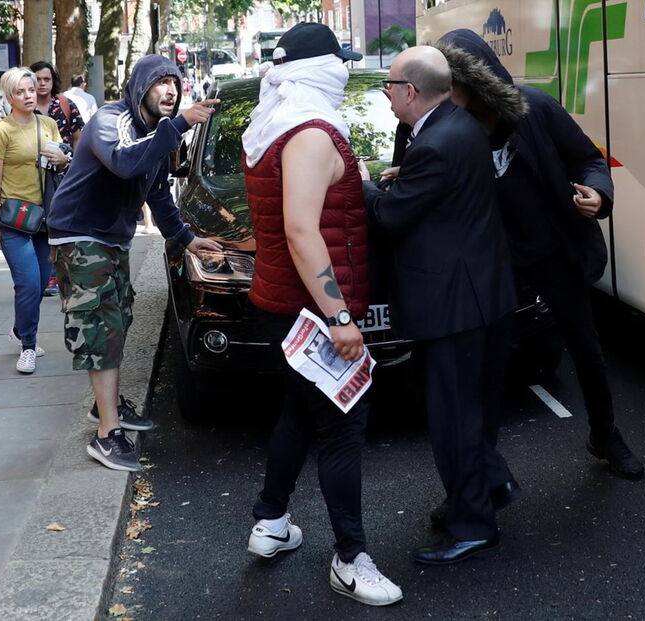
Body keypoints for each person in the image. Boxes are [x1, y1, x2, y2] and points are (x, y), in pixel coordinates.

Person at [239, 22, 403, 607]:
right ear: (324, 68)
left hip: (283, 304)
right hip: (310, 314)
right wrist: (339, 318)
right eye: (340, 60)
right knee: (343, 426)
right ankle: (350, 560)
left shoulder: (274, 123)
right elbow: (302, 230)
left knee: (299, 414)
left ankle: (271, 523)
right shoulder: (308, 132)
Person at [434, 29, 645, 480]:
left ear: (479, 81)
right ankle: (477, 479)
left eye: (454, 82)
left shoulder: (534, 109)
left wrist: (598, 196)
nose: (447, 94)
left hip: (552, 251)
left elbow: (588, 159)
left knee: (586, 349)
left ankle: (606, 435)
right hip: (490, 265)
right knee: (486, 367)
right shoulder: (446, 128)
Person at [358, 46, 518, 565]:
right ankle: (486, 487)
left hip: (453, 304)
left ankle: (473, 525)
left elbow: (392, 218)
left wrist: (359, 186)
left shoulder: (436, 143)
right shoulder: (459, 124)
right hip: (479, 294)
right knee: (467, 410)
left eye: (388, 85)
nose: (385, 93)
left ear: (410, 91)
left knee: (453, 417)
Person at [47, 54, 222, 472]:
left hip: (112, 239)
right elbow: (125, 163)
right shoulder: (112, 120)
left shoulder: (159, 135)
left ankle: (104, 407)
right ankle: (107, 435)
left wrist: (187, 239)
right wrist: (179, 124)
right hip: (80, 235)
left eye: (174, 83)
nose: (170, 90)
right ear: (140, 87)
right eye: (161, 82)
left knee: (116, 321)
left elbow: (158, 195)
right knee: (99, 329)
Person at [0, 67, 69, 374]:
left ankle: (20, 329)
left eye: (30, 90)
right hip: (13, 219)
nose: (28, 95)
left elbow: (60, 164)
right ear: (9, 96)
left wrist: (65, 159)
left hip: (45, 217)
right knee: (29, 284)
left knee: (43, 281)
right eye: (19, 92)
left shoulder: (47, 125)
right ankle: (28, 345)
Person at [30, 61, 85, 298]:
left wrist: (75, 166)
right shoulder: (24, 107)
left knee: (60, 223)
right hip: (32, 177)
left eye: (46, 79)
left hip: (63, 174)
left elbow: (79, 137)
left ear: (53, 81)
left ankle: (60, 274)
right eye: (37, 79)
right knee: (37, 225)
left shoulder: (64, 105)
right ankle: (44, 273)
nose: (42, 84)